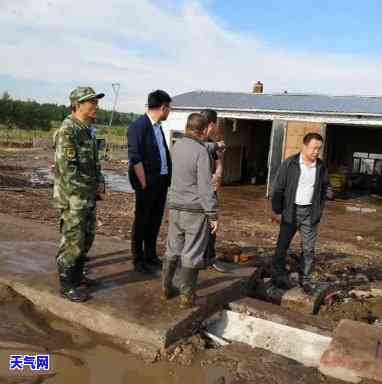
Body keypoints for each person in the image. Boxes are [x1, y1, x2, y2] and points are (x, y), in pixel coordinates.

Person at [53, 86, 105, 302]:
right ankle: (67, 284)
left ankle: (78, 274)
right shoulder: (68, 130)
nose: (96, 106)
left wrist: (100, 182)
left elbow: (94, 162)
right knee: (73, 240)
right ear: (78, 105)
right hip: (74, 196)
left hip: (88, 195)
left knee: (87, 237)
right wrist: (88, 189)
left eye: (96, 101)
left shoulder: (88, 128)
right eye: (91, 102)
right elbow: (67, 171)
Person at [162, 113, 219, 309]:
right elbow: (205, 187)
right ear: (204, 131)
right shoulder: (201, 152)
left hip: (175, 206)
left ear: (187, 127)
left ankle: (166, 288)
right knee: (192, 253)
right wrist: (212, 214)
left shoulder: (176, 146)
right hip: (195, 210)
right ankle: (186, 297)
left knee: (172, 249)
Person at [271, 132, 332, 294]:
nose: (316, 152)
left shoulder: (320, 166)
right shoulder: (290, 164)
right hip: (290, 212)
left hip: (310, 213)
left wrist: (327, 195)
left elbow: (326, 184)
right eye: (313, 148)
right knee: (282, 246)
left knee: (309, 249)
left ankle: (306, 279)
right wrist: (277, 211)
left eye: (319, 149)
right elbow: (278, 189)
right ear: (304, 147)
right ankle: (278, 276)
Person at [128, 90, 172, 274]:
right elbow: (135, 158)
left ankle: (151, 255)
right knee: (142, 221)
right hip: (147, 184)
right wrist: (144, 184)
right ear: (163, 107)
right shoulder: (139, 126)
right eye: (169, 108)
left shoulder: (157, 126)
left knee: (155, 220)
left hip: (160, 182)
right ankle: (139, 259)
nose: (169, 112)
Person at [200, 109, 226, 273]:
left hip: (210, 190)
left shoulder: (211, 142)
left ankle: (209, 257)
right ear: (212, 124)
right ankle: (197, 259)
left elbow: (218, 164)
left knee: (211, 226)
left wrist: (218, 175)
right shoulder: (196, 143)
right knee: (198, 226)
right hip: (197, 192)